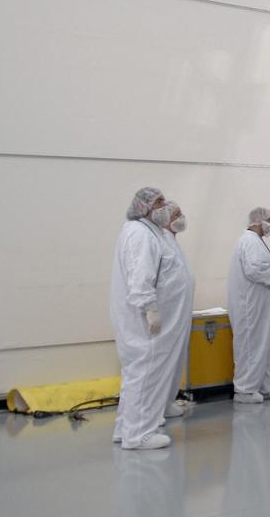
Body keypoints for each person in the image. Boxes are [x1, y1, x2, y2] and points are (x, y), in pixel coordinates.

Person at [110, 186, 193, 450]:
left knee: (138, 374)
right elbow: (141, 275)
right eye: (158, 203)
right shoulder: (140, 234)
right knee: (146, 373)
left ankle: (125, 429)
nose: (164, 207)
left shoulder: (149, 232)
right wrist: (150, 308)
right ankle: (138, 435)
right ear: (144, 207)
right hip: (145, 320)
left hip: (150, 318)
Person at [227, 207, 270, 403]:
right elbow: (254, 269)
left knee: (267, 345)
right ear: (258, 221)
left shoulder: (257, 241)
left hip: (262, 305)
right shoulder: (249, 241)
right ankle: (245, 390)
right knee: (251, 346)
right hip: (250, 305)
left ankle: (269, 386)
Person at [152, 202, 193, 423]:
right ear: (165, 218)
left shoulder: (172, 242)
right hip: (167, 314)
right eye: (177, 214)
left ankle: (166, 403)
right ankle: (154, 410)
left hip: (178, 314)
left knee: (175, 360)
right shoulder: (160, 242)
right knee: (162, 360)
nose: (181, 217)